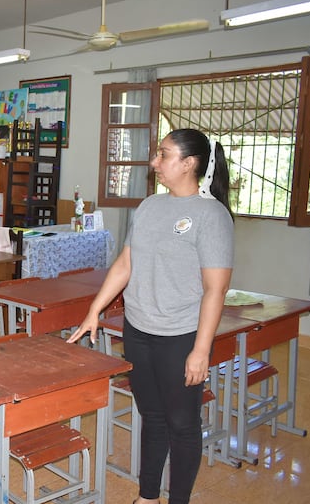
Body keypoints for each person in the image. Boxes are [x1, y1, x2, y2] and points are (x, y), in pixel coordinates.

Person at [67, 128, 234, 504]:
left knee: (182, 425)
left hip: (180, 336)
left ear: (189, 163)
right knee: (153, 417)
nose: (154, 162)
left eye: (164, 154)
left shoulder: (212, 216)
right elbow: (126, 263)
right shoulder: (150, 206)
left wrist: (201, 350)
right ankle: (147, 496)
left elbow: (215, 290)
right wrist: (94, 311)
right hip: (138, 330)